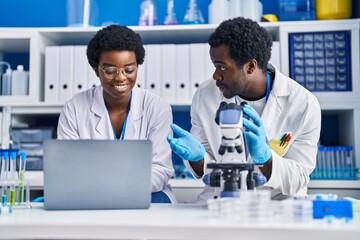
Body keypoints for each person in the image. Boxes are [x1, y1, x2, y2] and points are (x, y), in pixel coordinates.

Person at [167, 17, 321, 201]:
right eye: (214, 66)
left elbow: (299, 177)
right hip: (221, 200)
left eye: (222, 67)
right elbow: (208, 169)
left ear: (250, 66)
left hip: (277, 203)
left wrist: (266, 159)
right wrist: (198, 158)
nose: (215, 75)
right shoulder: (205, 95)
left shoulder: (303, 104)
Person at [57, 25, 176, 203]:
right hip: (91, 195)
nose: (121, 77)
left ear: (137, 66)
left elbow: (160, 170)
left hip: (147, 194)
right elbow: (67, 167)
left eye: (129, 69)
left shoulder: (157, 107)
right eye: (110, 70)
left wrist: (121, 188)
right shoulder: (75, 108)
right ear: (96, 69)